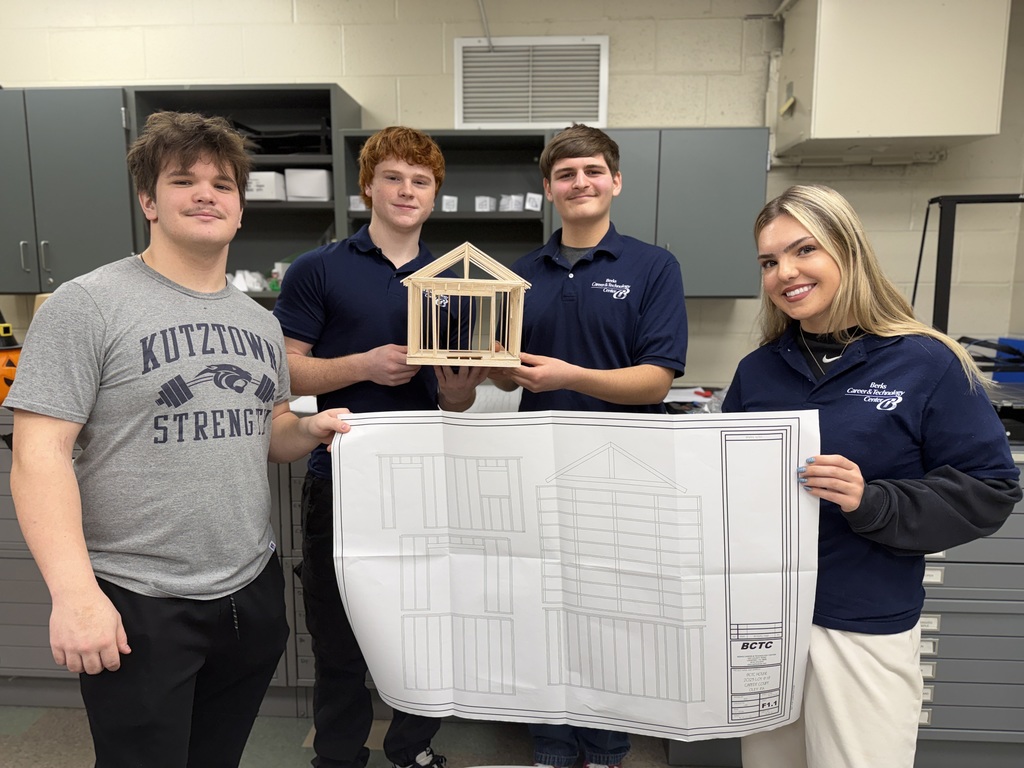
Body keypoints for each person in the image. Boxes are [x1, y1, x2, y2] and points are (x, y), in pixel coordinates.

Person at [7, 111, 353, 767]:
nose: (206, 195)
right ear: (149, 200)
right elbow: (37, 456)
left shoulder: (259, 324)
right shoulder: (86, 305)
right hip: (139, 599)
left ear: (240, 208)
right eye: (183, 180)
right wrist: (75, 594)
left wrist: (309, 428)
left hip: (248, 593)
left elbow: (268, 433)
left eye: (223, 184)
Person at [723, 184, 1020, 768]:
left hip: (861, 624)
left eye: (804, 250)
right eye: (769, 261)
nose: (785, 272)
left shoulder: (925, 362)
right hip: (767, 623)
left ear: (847, 249)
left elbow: (991, 489)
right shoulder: (758, 371)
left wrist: (873, 500)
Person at [273, 126, 487, 768]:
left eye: (421, 181)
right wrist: (363, 365)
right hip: (341, 476)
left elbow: (456, 401)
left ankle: (411, 748)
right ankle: (338, 757)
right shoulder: (318, 269)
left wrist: (457, 391)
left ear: (434, 195)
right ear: (368, 186)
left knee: (423, 626)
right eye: (393, 177)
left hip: (426, 481)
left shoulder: (456, 280)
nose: (406, 191)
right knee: (338, 635)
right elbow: (284, 371)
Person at [490, 124, 689, 768]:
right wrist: (488, 369)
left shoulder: (653, 267)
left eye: (593, 171)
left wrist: (569, 376)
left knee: (612, 620)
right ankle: (551, 746)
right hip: (540, 472)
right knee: (544, 613)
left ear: (616, 181)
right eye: (566, 174)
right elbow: (508, 372)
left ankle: (605, 748)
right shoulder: (519, 276)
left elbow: (656, 379)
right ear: (549, 189)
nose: (581, 183)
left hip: (623, 476)